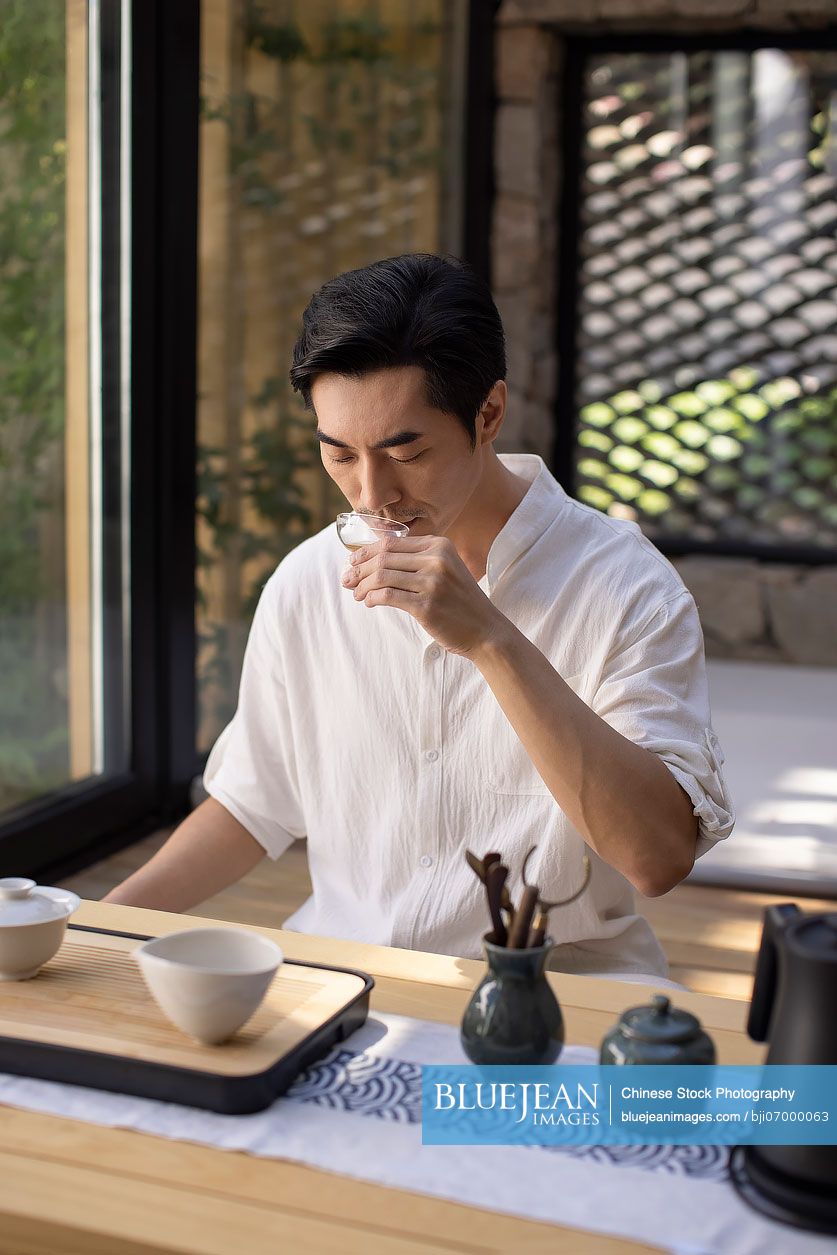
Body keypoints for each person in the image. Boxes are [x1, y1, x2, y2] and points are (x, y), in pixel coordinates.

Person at [104, 253, 733, 978]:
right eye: (338, 453)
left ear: (488, 412)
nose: (372, 494)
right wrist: (90, 924)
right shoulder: (310, 580)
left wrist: (492, 640)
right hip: (344, 982)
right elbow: (254, 804)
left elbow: (656, 858)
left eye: (406, 451)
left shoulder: (626, 587)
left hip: (559, 994)